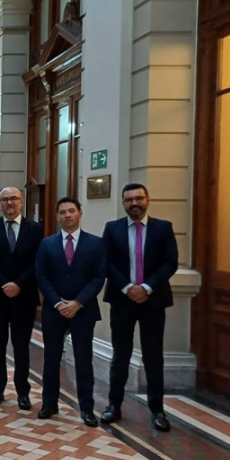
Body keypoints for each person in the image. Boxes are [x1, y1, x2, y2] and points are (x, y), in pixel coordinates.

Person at [101, 184, 178, 432]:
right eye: (129, 200)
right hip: (122, 301)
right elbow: (107, 262)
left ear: (148, 200)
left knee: (153, 357)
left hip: (152, 301)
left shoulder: (163, 228)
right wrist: (127, 288)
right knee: (120, 356)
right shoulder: (112, 229)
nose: (134, 203)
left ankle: (157, 411)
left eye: (138, 198)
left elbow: (170, 263)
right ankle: (114, 406)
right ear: (123, 203)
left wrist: (145, 287)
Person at [35, 197, 106, 427]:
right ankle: (49, 403)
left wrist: (77, 303)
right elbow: (41, 276)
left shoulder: (95, 244)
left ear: (79, 213)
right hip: (54, 311)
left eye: (71, 211)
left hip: (83, 311)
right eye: (63, 212)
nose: (67, 215)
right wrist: (57, 303)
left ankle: (86, 408)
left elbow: (98, 277)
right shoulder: (47, 244)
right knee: (51, 359)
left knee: (84, 360)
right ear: (57, 216)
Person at [0, 186, 43, 410]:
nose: (9, 203)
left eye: (13, 199)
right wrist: (4, 284)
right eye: (5, 199)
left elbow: (37, 261)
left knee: (21, 347)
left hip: (23, 297)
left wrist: (18, 284)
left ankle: (22, 393)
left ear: (21, 202)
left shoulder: (34, 229)